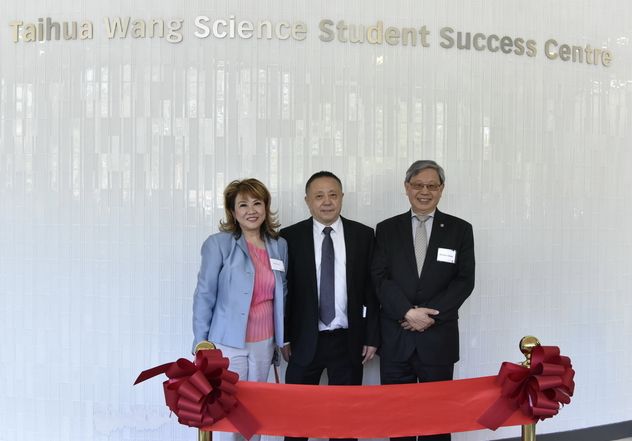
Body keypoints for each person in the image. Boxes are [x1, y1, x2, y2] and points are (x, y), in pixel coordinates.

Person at [372, 160, 475, 441]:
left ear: (441, 189)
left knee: (437, 423)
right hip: (396, 338)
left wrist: (428, 316)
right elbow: (379, 278)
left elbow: (464, 281)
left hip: (437, 340)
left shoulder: (460, 230)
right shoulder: (386, 229)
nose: (425, 191)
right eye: (418, 185)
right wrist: (407, 312)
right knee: (399, 422)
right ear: (407, 187)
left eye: (432, 185)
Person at [280, 171, 380, 441]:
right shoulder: (289, 237)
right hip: (303, 340)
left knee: (344, 424)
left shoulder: (363, 235)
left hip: (348, 341)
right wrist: (284, 337)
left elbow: (371, 290)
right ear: (307, 201)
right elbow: (284, 292)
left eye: (333, 195)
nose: (327, 202)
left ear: (342, 197)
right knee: (297, 422)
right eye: (319, 196)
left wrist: (371, 337)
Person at [192, 178, 288, 441]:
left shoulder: (279, 245)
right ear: (233, 212)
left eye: (257, 203)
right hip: (228, 342)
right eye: (243, 205)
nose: (251, 210)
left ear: (266, 207)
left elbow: (282, 292)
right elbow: (204, 294)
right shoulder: (218, 244)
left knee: (254, 410)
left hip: (264, 342)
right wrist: (201, 342)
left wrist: (283, 339)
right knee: (230, 409)